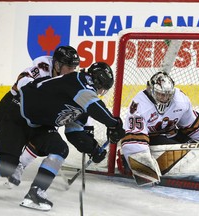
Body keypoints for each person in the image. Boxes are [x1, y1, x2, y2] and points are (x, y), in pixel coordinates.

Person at [7, 62, 124, 211]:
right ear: (97, 81)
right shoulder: (79, 81)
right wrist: (114, 124)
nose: (101, 92)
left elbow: (73, 133)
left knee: (59, 148)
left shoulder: (84, 99)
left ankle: (35, 193)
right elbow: (95, 106)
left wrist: (93, 148)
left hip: (38, 123)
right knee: (2, 160)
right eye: (102, 88)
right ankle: (25, 174)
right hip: (20, 111)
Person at [118, 71, 199, 186]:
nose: (164, 98)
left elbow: (193, 125)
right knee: (186, 152)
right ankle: (125, 160)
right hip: (149, 139)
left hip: (171, 133)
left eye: (167, 95)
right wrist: (141, 165)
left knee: (195, 147)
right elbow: (134, 138)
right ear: (151, 90)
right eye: (160, 94)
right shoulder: (140, 105)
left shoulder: (180, 100)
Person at [0, 45, 80, 187]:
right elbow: (22, 79)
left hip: (36, 114)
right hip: (14, 103)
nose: (71, 71)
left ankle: (19, 166)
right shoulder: (42, 67)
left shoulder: (67, 79)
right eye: (69, 67)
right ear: (57, 65)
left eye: (74, 68)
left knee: (45, 133)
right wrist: (41, 88)